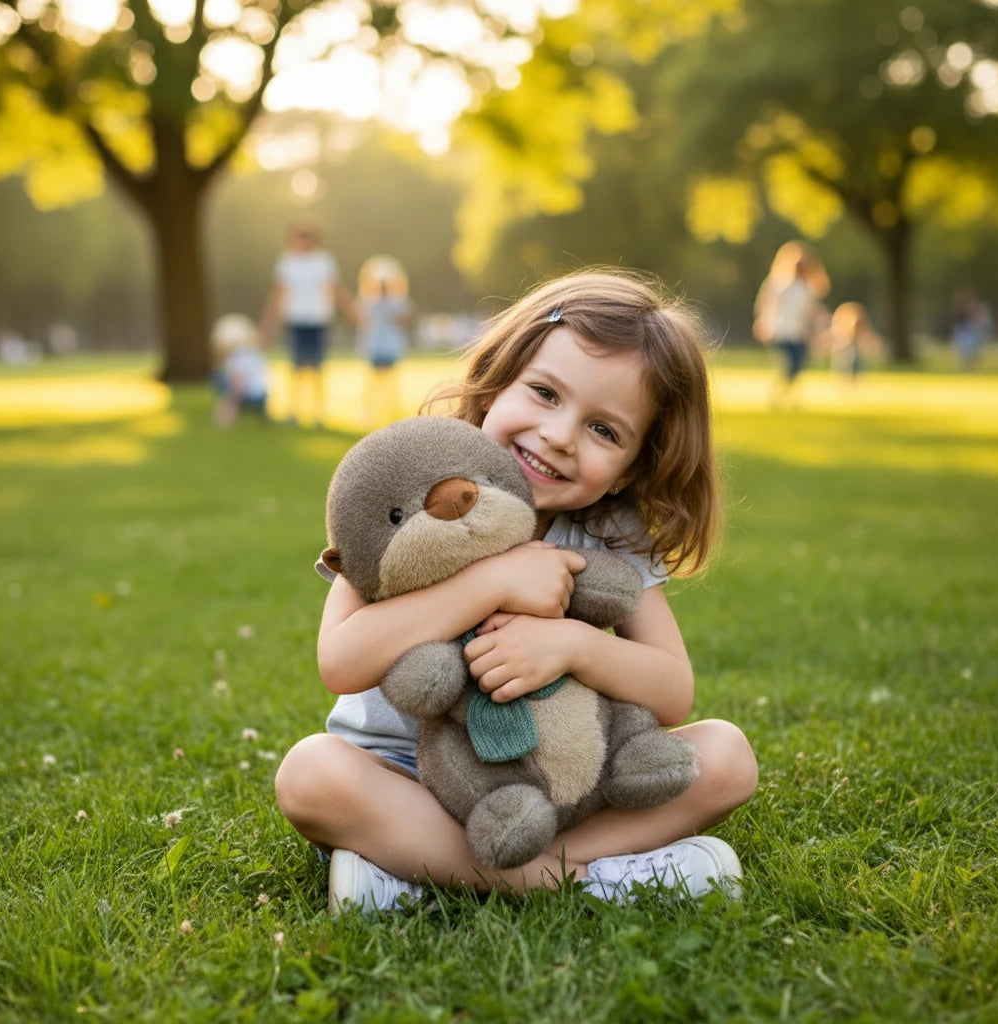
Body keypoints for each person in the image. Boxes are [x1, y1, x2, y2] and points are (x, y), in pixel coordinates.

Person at [275, 269, 758, 914]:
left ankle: (415, 881)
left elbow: (672, 692)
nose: (559, 434)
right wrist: (490, 582)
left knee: (727, 756)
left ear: (630, 471)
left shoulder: (609, 533)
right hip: (404, 782)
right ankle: (590, 883)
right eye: (544, 393)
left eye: (604, 430)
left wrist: (571, 646)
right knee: (311, 774)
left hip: (558, 786)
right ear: (498, 380)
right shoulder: (410, 483)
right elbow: (341, 661)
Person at [261, 220, 353, 428]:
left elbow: (335, 287)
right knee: (295, 367)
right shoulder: (287, 262)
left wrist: (350, 310)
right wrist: (269, 322)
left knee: (318, 367)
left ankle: (319, 414)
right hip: (296, 319)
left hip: (318, 319)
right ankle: (293, 411)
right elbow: (278, 292)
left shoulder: (323, 261)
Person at [753, 241, 830, 406]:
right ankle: (787, 398)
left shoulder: (807, 289)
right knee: (789, 365)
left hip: (799, 334)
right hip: (781, 332)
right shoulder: (780, 285)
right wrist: (763, 323)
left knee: (797, 367)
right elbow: (766, 305)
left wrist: (820, 328)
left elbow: (813, 312)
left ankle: (783, 395)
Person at [354, 254, 414, 428]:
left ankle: (392, 407)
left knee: (391, 380)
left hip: (389, 345)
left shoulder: (397, 302)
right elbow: (360, 317)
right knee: (372, 381)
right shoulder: (369, 301)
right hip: (375, 345)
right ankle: (369, 409)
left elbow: (406, 318)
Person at [210, 313, 270, 427]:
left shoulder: (238, 357)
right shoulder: (254, 353)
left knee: (218, 377)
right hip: (262, 396)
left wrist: (229, 404)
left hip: (248, 396)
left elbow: (239, 383)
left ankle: (230, 415)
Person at [827, 301, 883, 384]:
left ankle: (855, 377)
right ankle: (844, 377)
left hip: (852, 343)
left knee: (855, 359)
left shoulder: (860, 320)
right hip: (844, 342)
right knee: (845, 359)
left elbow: (865, 334)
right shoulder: (843, 320)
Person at [950, 287, 992, 370]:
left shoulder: (975, 307)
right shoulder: (960, 309)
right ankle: (965, 366)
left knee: (972, 349)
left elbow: (978, 320)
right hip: (962, 330)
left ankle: (971, 366)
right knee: (963, 350)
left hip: (970, 330)